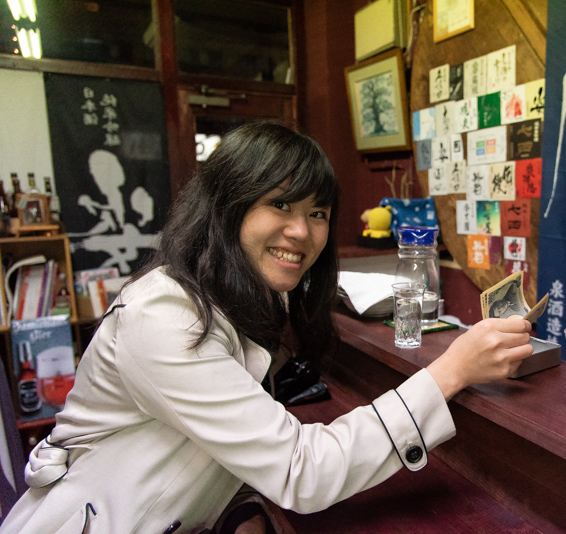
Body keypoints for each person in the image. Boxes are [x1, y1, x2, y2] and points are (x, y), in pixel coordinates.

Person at [0, 121, 534, 534]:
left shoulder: (247, 298)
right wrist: (452, 370)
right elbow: (302, 471)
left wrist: (242, 506)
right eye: (279, 204)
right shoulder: (163, 316)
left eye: (318, 212)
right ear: (226, 205)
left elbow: (203, 443)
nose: (302, 231)